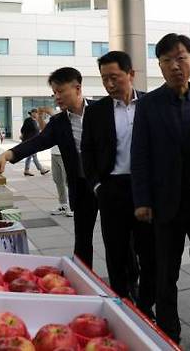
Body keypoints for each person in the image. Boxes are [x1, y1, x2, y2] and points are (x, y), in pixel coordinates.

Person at [131, 34, 190, 348]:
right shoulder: (149, 104)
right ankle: (169, 332)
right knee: (165, 273)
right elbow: (139, 154)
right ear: (160, 66)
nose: (175, 66)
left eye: (180, 58)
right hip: (165, 204)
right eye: (167, 60)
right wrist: (141, 200)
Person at [0, 68, 98, 267]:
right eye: (54, 93)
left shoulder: (100, 110)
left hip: (107, 184)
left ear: (77, 88)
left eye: (61, 91)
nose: (57, 97)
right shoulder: (59, 122)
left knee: (118, 239)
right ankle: (84, 278)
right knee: (83, 239)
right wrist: (8, 154)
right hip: (82, 185)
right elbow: (38, 142)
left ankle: (127, 286)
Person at [81, 51, 155, 317]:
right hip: (112, 189)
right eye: (104, 79)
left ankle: (146, 308)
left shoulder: (150, 104)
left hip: (144, 188)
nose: (109, 84)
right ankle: (121, 306)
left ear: (130, 74)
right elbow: (86, 152)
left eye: (114, 77)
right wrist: (98, 186)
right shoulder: (96, 112)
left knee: (149, 253)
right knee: (116, 252)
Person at [20, 108, 49, 176]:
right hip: (30, 141)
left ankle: (26, 170)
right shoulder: (28, 120)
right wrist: (23, 137)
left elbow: (37, 131)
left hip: (34, 141)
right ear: (32, 113)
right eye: (35, 113)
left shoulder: (35, 121)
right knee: (34, 155)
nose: (36, 114)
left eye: (37, 113)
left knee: (30, 156)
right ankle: (41, 170)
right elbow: (23, 129)